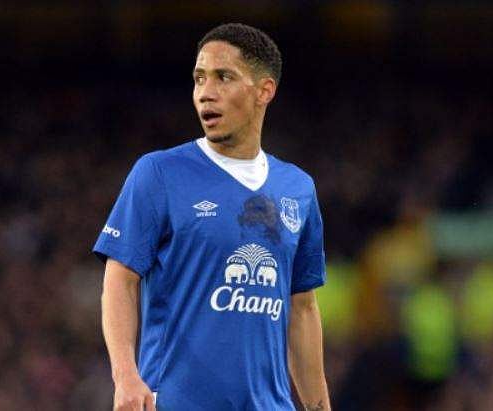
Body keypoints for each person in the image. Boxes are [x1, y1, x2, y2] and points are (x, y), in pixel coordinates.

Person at [94, 23, 331, 411]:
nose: (206, 92)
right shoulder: (159, 173)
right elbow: (120, 279)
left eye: (224, 77)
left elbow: (302, 308)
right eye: (199, 78)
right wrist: (126, 376)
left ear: (264, 91)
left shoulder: (298, 188)